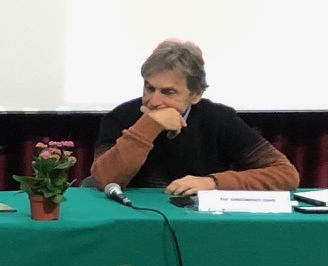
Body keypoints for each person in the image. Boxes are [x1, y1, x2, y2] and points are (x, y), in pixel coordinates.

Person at [90, 39, 298, 195]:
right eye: (149, 88)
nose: (154, 101)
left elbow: (285, 174)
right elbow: (103, 179)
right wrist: (148, 126)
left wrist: (213, 182)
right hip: (134, 218)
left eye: (168, 92)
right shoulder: (120, 117)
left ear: (196, 94)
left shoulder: (218, 118)